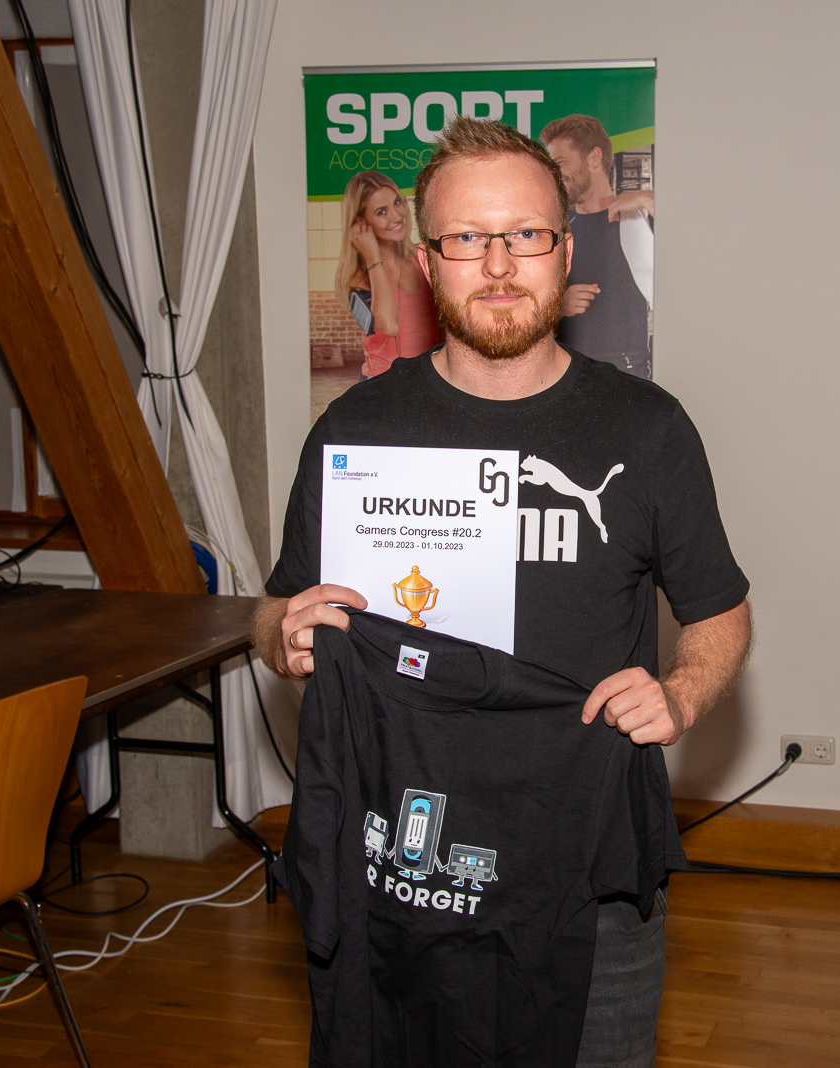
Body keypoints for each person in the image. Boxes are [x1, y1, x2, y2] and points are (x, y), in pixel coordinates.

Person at [255, 116, 751, 1067]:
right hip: (406, 865)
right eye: (465, 239)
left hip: (590, 868)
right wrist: (284, 632)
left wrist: (682, 693)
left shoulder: (648, 430)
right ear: (426, 263)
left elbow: (719, 610)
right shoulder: (357, 432)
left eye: (523, 234)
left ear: (565, 250)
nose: (496, 264)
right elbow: (272, 607)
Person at [540, 114, 654, 379]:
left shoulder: (639, 216)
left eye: (560, 163)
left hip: (630, 373)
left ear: (594, 158)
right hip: (569, 373)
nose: (554, 174)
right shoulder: (556, 230)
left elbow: (700, 255)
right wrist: (558, 308)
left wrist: (650, 199)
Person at [333, 170, 442, 378]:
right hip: (382, 384)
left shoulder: (422, 259)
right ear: (360, 222)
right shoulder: (358, 279)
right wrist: (373, 258)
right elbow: (389, 325)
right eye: (381, 212)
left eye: (397, 203)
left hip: (426, 380)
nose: (396, 216)